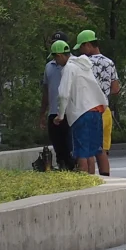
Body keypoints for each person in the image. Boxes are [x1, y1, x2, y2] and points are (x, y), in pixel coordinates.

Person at [57, 42, 108, 175]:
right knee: (93, 151)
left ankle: (84, 184)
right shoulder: (85, 66)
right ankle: (97, 181)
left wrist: (60, 115)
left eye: (55, 58)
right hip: (96, 110)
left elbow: (63, 94)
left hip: (81, 113)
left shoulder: (69, 68)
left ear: (60, 55)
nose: (55, 62)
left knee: (81, 153)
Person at [76, 30, 118, 173]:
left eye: (81, 47)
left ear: (88, 45)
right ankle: (106, 180)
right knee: (102, 151)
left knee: (88, 151)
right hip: (105, 110)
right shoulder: (109, 62)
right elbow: (115, 88)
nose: (81, 51)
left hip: (89, 110)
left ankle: (93, 184)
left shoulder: (83, 63)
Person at [43, 40, 73, 171]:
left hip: (71, 113)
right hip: (54, 113)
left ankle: (73, 169)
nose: (55, 59)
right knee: (58, 146)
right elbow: (46, 90)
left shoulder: (74, 66)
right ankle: (62, 168)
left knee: (70, 147)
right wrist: (42, 112)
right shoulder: (49, 67)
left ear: (60, 55)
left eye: (56, 56)